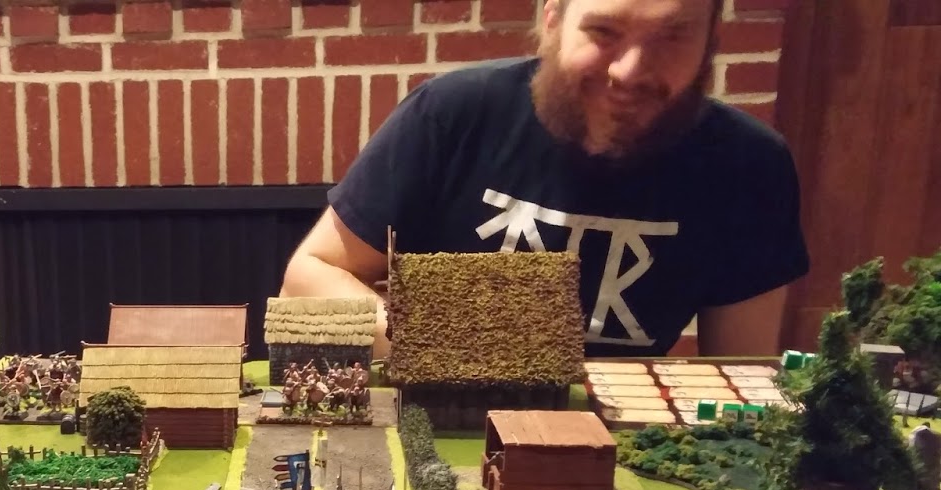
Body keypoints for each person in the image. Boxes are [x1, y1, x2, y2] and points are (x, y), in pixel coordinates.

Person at [282, 0, 809, 359]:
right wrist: (448, 351)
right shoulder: (452, 113)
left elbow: (742, 375)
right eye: (604, 32)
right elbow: (308, 280)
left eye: (674, 36)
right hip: (443, 411)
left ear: (711, 42)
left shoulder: (751, 164)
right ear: (553, 20)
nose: (630, 70)